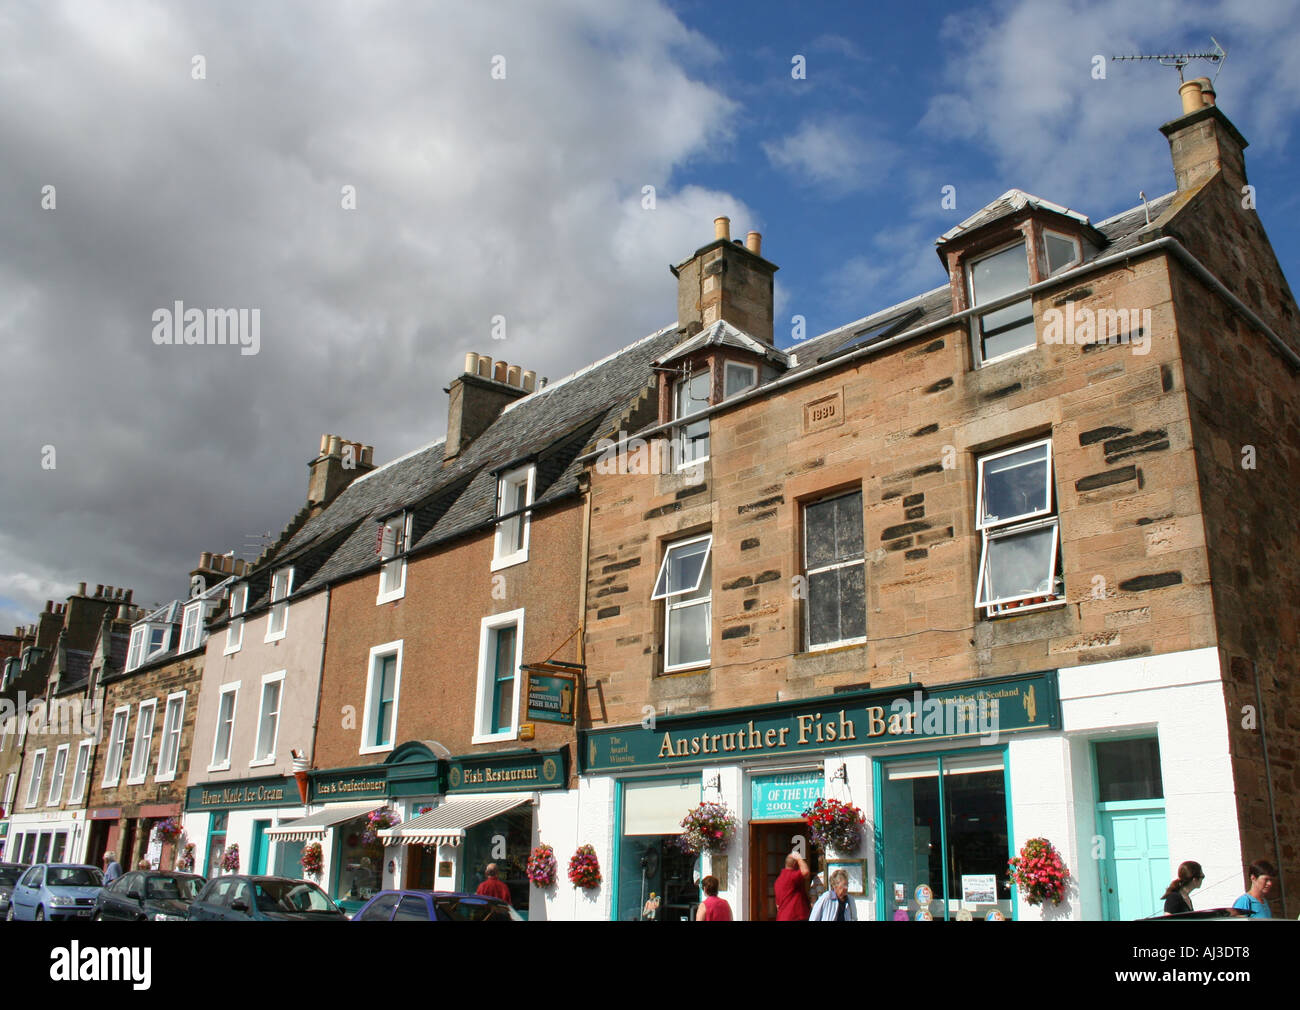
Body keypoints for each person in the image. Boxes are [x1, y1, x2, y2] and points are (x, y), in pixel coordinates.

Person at [774, 853, 811, 921]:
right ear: (795, 864)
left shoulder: (778, 880)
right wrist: (799, 859)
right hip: (795, 916)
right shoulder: (792, 876)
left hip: (782, 917)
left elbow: (777, 905)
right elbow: (805, 872)